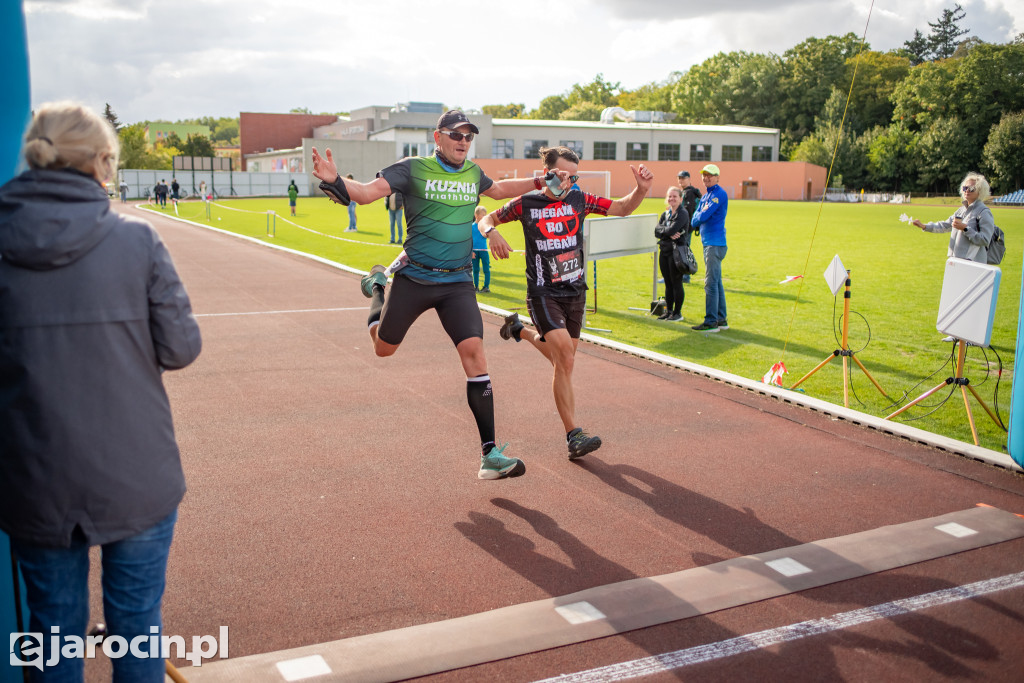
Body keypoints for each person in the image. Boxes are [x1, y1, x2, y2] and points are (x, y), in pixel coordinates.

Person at [0, 102, 202, 682]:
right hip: (134, 471)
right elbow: (181, 349)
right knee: (137, 628)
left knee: (52, 632)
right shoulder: (137, 240)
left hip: (33, 475)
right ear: (102, 164)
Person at [311, 109, 571, 480]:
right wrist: (336, 180)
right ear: (438, 138)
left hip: (457, 282)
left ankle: (489, 454)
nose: (463, 141)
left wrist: (538, 180)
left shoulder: (472, 173)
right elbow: (367, 194)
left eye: (468, 136)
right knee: (382, 349)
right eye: (456, 135)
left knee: (475, 354)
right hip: (414, 279)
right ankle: (379, 287)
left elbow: (497, 190)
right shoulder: (413, 167)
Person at [478, 145, 654, 460]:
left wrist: (640, 190)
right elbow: (485, 217)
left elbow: (621, 208)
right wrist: (491, 233)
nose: (568, 182)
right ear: (547, 173)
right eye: (561, 175)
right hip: (544, 292)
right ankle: (574, 435)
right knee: (566, 360)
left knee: (564, 360)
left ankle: (519, 330)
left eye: (573, 176)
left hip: (576, 291)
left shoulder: (580, 198)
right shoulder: (527, 203)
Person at [911, 172, 995, 264]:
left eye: (971, 189)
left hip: (972, 263)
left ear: (980, 191)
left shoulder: (984, 212)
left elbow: (985, 240)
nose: (967, 191)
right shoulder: (961, 210)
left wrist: (965, 228)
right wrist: (924, 226)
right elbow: (944, 226)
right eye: (965, 188)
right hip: (954, 261)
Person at [691, 163, 729, 332]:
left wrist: (700, 214)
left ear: (717, 177)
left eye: (710, 175)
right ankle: (721, 319)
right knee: (717, 282)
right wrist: (700, 214)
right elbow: (694, 219)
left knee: (711, 283)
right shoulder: (707, 195)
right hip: (710, 243)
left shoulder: (718, 194)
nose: (706, 177)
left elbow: (703, 215)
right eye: (704, 175)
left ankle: (711, 321)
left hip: (714, 244)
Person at [654, 186, 691, 321]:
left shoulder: (683, 213)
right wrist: (666, 232)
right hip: (664, 251)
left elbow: (670, 230)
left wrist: (664, 231)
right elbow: (657, 231)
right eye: (669, 196)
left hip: (676, 253)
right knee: (668, 283)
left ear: (680, 199)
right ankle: (668, 311)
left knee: (676, 283)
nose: (672, 199)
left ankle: (677, 313)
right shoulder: (666, 213)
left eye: (675, 196)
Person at [676, 170, 702, 284]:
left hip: (685, 228)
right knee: (683, 250)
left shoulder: (689, 193)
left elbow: (688, 212)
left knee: (683, 251)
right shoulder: (687, 192)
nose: (681, 180)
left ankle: (685, 276)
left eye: (683, 178)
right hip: (686, 227)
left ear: (689, 179)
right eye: (679, 178)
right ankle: (684, 276)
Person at [471, 205, 491, 293]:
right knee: (475, 270)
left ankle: (486, 287)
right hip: (474, 252)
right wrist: (471, 251)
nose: (485, 216)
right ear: (476, 215)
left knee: (486, 269)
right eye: (483, 214)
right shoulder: (471, 227)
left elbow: (489, 236)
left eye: (485, 214)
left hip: (484, 251)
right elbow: (469, 239)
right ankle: (476, 287)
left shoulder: (486, 226)